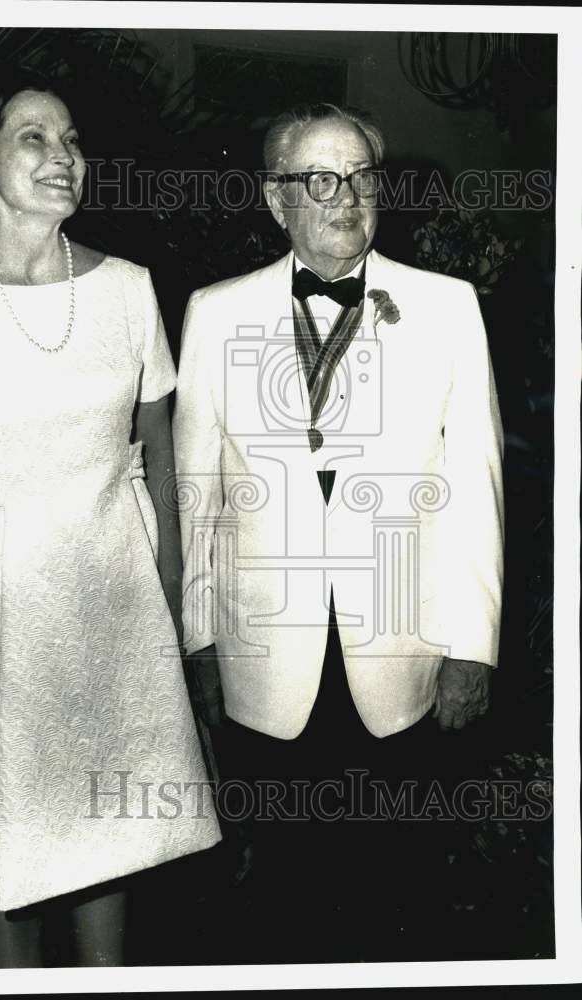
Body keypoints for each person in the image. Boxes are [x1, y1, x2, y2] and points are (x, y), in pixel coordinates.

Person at [0, 61, 220, 968]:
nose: (63, 154)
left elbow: (161, 462)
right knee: (4, 843)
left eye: (71, 140)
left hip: (112, 602)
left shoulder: (131, 289)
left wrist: (175, 616)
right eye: (33, 137)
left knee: (111, 835)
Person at [173, 103, 504, 961]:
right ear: (273, 198)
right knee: (276, 897)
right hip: (262, 659)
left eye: (361, 177)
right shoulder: (214, 313)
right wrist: (200, 639)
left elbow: (478, 486)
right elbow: (197, 498)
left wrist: (472, 647)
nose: (346, 198)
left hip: (402, 653)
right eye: (319, 180)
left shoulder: (446, 307)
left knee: (396, 891)